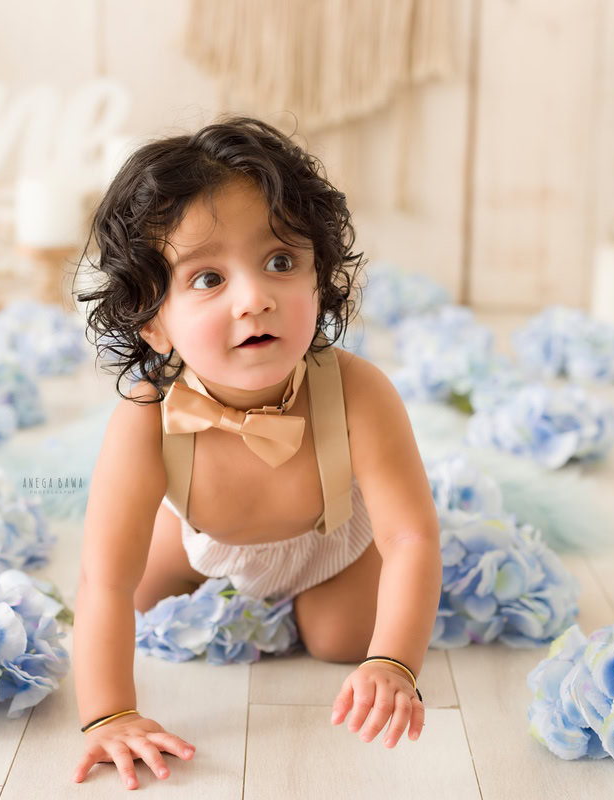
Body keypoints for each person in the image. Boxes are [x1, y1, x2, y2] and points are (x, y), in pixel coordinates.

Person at [72, 116, 441, 790]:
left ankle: (338, 618)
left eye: (280, 262)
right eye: (207, 279)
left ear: (319, 278)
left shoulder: (358, 391)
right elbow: (104, 580)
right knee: (141, 599)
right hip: (205, 538)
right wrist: (108, 715)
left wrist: (395, 662)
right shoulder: (148, 419)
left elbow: (412, 535)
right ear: (154, 321)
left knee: (341, 641)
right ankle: (187, 555)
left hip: (332, 544)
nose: (255, 299)